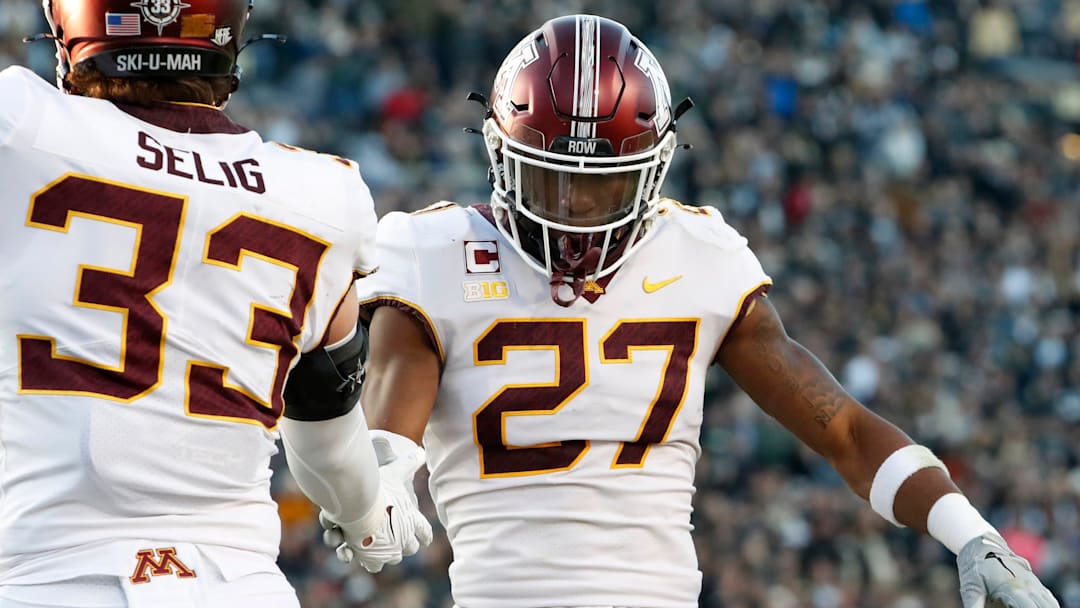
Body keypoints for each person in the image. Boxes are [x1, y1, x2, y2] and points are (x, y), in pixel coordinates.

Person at [338, 13, 1060, 608]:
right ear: (499, 155)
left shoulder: (699, 252)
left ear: (654, 169)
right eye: (553, 182)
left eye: (605, 189)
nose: (578, 214)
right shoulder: (433, 250)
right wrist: (377, 487)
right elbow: (390, 426)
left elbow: (841, 428)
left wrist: (970, 532)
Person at [0, 1, 429, 607]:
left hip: (44, 578)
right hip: (238, 584)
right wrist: (369, 508)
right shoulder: (323, 194)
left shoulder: (18, 126)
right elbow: (326, 438)